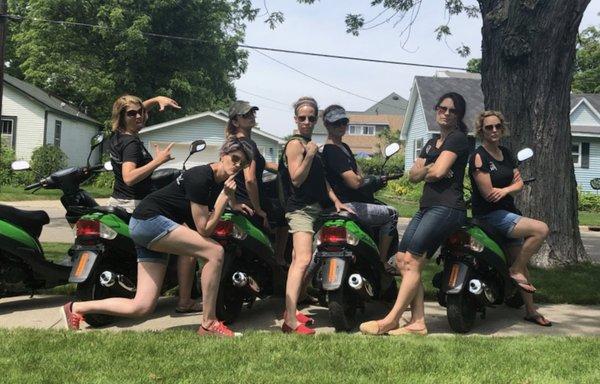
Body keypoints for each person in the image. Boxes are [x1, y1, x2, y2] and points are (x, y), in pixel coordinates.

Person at [60, 138, 254, 337]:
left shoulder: (216, 181)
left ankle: (76, 308)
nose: (238, 165)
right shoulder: (201, 177)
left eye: (244, 163)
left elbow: (205, 216)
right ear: (223, 155)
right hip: (150, 222)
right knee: (215, 251)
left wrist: (232, 202)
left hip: (147, 226)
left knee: (142, 306)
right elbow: (204, 229)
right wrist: (223, 200)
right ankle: (209, 323)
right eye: (235, 158)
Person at [359, 92, 470, 336]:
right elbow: (412, 176)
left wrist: (426, 169)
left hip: (448, 208)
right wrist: (425, 170)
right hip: (427, 206)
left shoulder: (459, 139)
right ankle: (418, 322)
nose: (447, 113)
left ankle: (391, 319)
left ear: (459, 115)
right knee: (401, 259)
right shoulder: (431, 143)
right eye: (443, 108)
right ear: (436, 109)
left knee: (413, 261)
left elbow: (438, 172)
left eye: (453, 110)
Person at [107, 94, 200, 314]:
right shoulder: (130, 143)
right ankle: (185, 301)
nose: (139, 116)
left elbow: (135, 110)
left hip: (118, 200)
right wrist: (158, 162)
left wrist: (157, 99)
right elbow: (129, 177)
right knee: (189, 244)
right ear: (122, 117)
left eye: (141, 112)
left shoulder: (118, 136)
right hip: (136, 205)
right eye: (132, 114)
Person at [279, 96, 353, 335]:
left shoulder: (310, 144)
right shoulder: (296, 145)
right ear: (295, 119)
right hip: (301, 210)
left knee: (296, 261)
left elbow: (320, 180)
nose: (307, 121)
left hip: (315, 208)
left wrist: (336, 201)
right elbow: (296, 178)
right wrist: (310, 154)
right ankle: (290, 320)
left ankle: (290, 311)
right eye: (302, 118)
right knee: (302, 261)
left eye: (311, 117)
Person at [469, 110, 551, 326]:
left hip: (508, 212)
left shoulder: (506, 153)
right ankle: (513, 270)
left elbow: (519, 184)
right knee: (540, 229)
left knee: (522, 264)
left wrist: (505, 191)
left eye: (497, 126)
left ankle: (531, 311)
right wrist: (509, 189)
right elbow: (488, 194)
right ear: (481, 130)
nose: (494, 130)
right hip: (489, 215)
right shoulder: (479, 156)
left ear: (502, 128)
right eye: (489, 127)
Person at [321, 104, 399, 267]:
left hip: (347, 202)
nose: (341, 126)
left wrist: (363, 179)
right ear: (327, 124)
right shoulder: (332, 150)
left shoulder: (344, 147)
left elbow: (360, 174)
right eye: (336, 123)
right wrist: (368, 179)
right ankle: (382, 262)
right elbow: (355, 182)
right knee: (392, 214)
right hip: (348, 205)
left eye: (343, 122)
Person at [226, 100, 289, 266]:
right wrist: (259, 210)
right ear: (235, 121)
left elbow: (266, 165)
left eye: (252, 113)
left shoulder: (232, 143)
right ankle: (279, 259)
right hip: (249, 200)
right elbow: (250, 179)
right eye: (245, 115)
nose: (251, 116)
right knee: (285, 215)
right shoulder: (247, 144)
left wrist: (289, 169)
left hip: (234, 199)